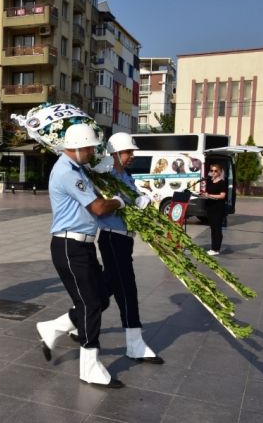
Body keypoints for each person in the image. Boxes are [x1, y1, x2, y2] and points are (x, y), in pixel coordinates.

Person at [35, 124, 126, 389]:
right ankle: (89, 367)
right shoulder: (66, 172)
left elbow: (95, 194)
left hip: (82, 246)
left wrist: (103, 171)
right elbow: (98, 207)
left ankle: (52, 329)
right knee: (89, 305)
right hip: (69, 246)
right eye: (89, 148)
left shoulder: (78, 169)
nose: (92, 152)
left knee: (98, 300)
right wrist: (118, 202)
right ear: (77, 147)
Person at [95, 132, 164, 364]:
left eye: (132, 152)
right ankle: (134, 343)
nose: (131, 156)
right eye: (128, 152)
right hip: (112, 236)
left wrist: (142, 197)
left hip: (125, 238)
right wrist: (130, 200)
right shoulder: (106, 175)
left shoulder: (126, 175)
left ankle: (72, 320)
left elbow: (133, 198)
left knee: (106, 287)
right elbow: (109, 202)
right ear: (114, 153)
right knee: (127, 288)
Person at [201, 163, 227, 256]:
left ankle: (216, 249)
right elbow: (208, 193)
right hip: (210, 207)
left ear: (219, 172)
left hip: (218, 208)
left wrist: (210, 195)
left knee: (217, 229)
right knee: (213, 228)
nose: (213, 172)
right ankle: (213, 247)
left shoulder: (222, 182)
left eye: (215, 171)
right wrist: (204, 195)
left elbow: (222, 195)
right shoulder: (210, 181)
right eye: (212, 170)